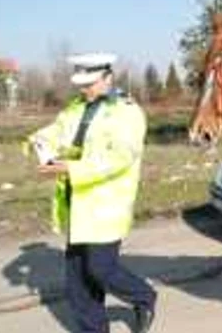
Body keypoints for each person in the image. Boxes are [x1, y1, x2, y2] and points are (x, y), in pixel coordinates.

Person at [27, 53, 156, 333]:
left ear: (108, 78)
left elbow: (122, 156)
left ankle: (144, 296)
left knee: (100, 269)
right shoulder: (76, 107)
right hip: (76, 200)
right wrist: (38, 141)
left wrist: (73, 168)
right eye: (81, 84)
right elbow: (59, 130)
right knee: (77, 279)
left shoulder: (127, 112)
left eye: (90, 83)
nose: (84, 89)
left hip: (106, 203)